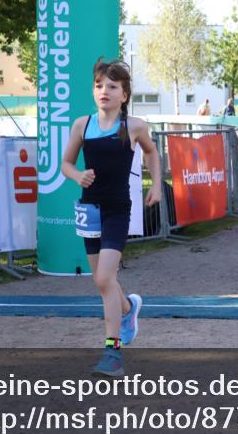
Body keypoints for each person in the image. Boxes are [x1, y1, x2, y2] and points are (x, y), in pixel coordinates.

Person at [61, 58, 162, 377]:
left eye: (112, 86)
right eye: (99, 85)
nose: (104, 91)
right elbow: (65, 164)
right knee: (103, 282)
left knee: (105, 279)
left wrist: (156, 184)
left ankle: (113, 352)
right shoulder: (81, 125)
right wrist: (78, 175)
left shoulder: (134, 126)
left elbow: (151, 152)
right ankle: (130, 309)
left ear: (125, 94)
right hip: (88, 209)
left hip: (118, 209)